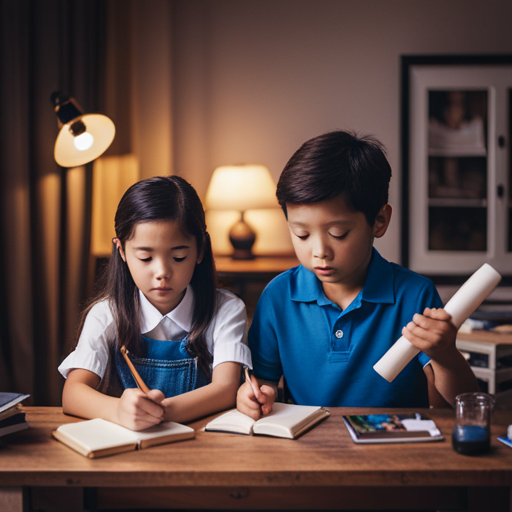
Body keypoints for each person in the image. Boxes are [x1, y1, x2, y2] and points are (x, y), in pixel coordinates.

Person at [237, 130, 478, 420]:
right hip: (309, 446)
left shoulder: (414, 295)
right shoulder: (278, 296)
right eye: (301, 234)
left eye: (338, 233)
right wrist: (254, 395)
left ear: (379, 221)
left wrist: (447, 356)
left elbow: (453, 405)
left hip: (394, 447)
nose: (319, 251)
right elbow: (262, 381)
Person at [60, 175, 251, 430]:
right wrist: (120, 411)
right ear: (122, 251)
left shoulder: (225, 310)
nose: (162, 272)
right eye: (146, 257)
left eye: (178, 257)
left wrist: (156, 413)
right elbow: (72, 394)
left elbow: (225, 389)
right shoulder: (107, 314)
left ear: (201, 250)